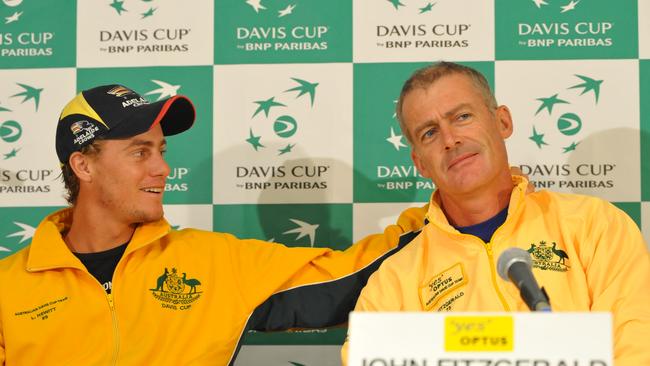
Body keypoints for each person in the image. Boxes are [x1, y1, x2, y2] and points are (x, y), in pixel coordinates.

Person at [0, 84, 429, 365]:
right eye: (139, 152)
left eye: (161, 150)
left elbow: (351, 276)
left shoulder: (213, 262)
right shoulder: (8, 287)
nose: (162, 168)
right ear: (83, 165)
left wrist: (450, 210)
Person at [342, 62, 650, 366]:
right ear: (419, 163)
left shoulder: (594, 225)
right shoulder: (393, 283)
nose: (450, 140)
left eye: (462, 117)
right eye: (429, 133)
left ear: (502, 122)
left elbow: (636, 344)